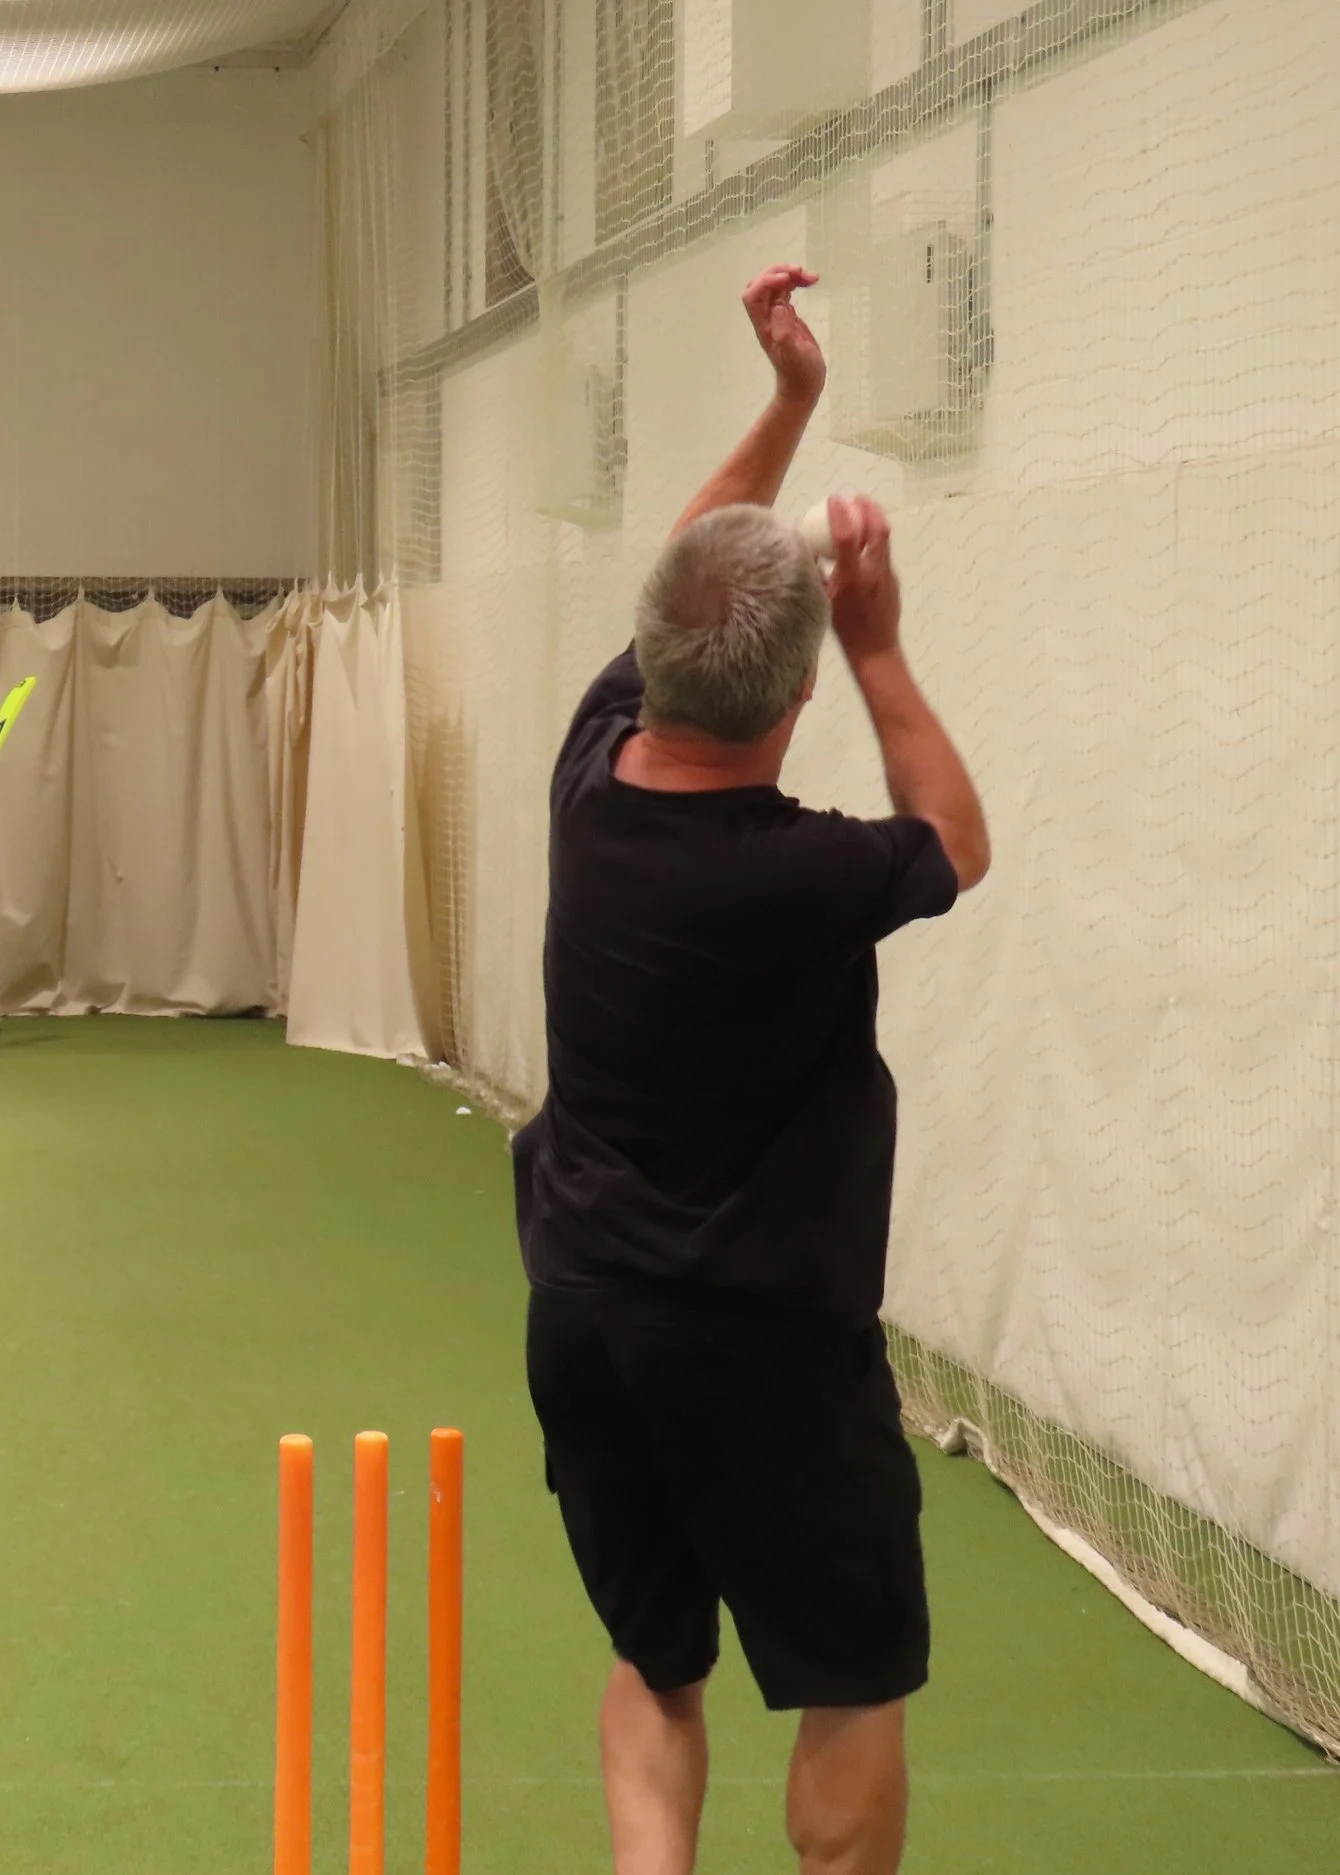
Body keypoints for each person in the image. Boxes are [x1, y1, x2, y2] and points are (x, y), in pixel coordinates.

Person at [515, 264, 992, 1875]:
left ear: (652, 659)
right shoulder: (800, 872)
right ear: (794, 703)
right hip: (769, 1353)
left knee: (658, 1658)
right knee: (850, 1681)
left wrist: (785, 402)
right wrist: (876, 641)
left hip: (585, 1319)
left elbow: (683, 571)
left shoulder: (592, 782)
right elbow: (955, 841)